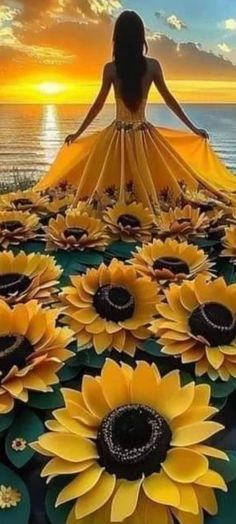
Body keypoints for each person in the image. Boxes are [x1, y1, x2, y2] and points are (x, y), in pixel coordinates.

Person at [36, 10, 236, 209]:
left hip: (117, 135)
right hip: (143, 135)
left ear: (117, 38)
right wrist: (193, 129)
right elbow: (169, 100)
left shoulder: (111, 69)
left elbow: (98, 105)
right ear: (141, 37)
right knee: (153, 180)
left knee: (112, 178)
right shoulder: (152, 66)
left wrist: (79, 132)